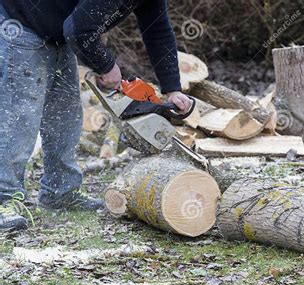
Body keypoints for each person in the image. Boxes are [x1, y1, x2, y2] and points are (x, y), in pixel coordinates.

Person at [0, 0, 192, 232]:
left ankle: (60, 191)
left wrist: (172, 88)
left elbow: (157, 29)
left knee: (66, 115)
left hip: (57, 31)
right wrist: (106, 65)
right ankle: (5, 198)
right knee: (21, 117)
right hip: (19, 22)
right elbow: (79, 30)